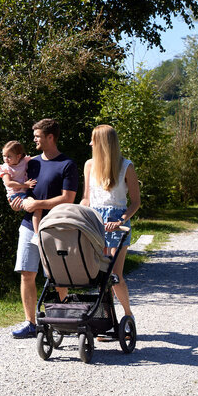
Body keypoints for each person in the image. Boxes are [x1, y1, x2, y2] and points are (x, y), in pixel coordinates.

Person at [9, 119, 78, 338]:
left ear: (50, 137)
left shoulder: (67, 164)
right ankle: (31, 323)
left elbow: (68, 199)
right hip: (29, 225)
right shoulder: (32, 163)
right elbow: (23, 189)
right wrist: (17, 202)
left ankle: (64, 319)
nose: (34, 139)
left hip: (56, 228)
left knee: (57, 274)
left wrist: (38, 204)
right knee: (26, 273)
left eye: (38, 136)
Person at [80, 124, 140, 322]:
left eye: (93, 140)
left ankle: (128, 315)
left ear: (103, 143)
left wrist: (121, 220)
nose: (89, 143)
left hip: (117, 223)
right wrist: (78, 214)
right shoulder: (89, 165)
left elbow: (136, 202)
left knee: (114, 274)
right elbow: (87, 198)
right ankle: (106, 318)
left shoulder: (126, 166)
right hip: (95, 220)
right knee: (99, 275)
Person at [0, 140, 41, 232]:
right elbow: (8, 183)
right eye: (4, 156)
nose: (6, 159)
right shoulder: (5, 168)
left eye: (9, 156)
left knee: (37, 208)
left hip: (25, 194)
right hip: (16, 196)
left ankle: (37, 233)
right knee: (36, 207)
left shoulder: (23, 162)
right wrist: (25, 185)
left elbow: (37, 158)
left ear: (18, 156)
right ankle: (37, 235)